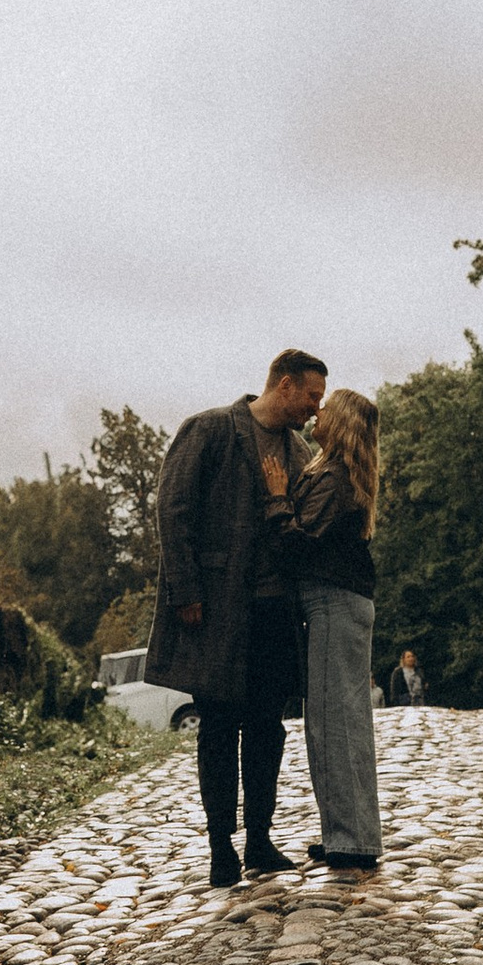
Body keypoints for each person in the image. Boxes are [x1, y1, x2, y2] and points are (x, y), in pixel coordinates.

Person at [145, 352, 326, 887]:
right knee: (219, 726)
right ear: (285, 384)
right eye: (311, 397)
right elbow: (172, 508)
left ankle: (259, 841)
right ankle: (220, 846)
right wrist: (185, 589)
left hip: (276, 612)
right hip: (215, 607)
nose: (316, 410)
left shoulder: (299, 452)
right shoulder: (208, 429)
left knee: (267, 729)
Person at [290, 390, 382, 873]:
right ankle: (351, 832)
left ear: (340, 420)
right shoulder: (337, 473)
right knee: (344, 719)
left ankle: (351, 839)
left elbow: (299, 542)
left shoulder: (335, 478)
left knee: (334, 722)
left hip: (334, 602)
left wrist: (271, 501)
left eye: (327, 407)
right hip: (344, 602)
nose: (317, 412)